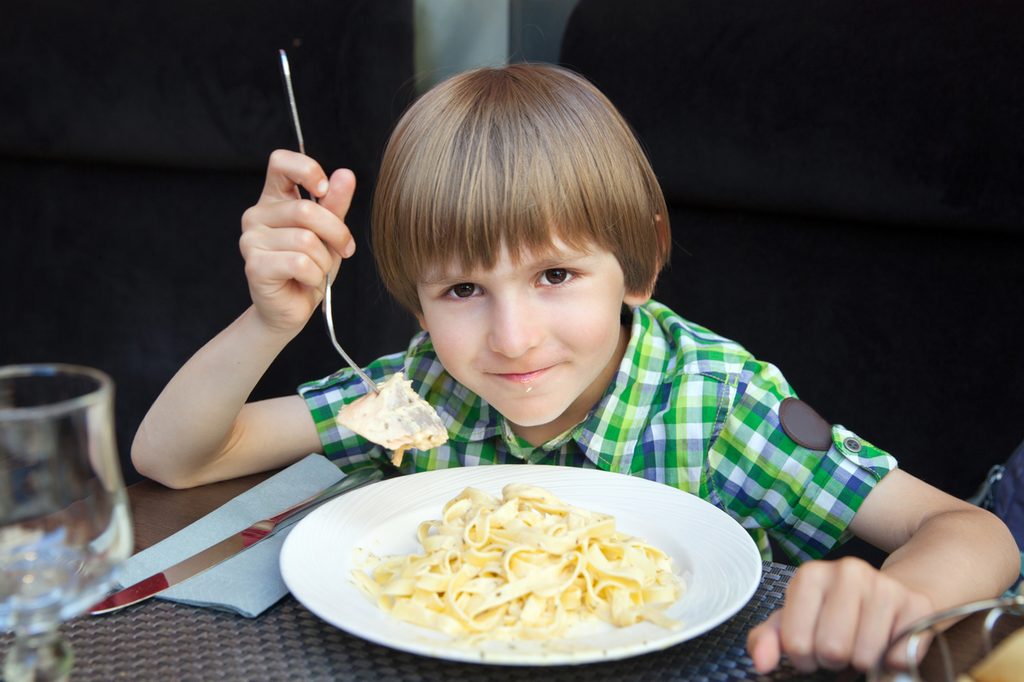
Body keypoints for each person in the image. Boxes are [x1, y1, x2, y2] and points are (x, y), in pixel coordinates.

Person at [131, 63, 1018, 673]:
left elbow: (977, 536)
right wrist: (269, 319)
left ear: (638, 267)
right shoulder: (422, 398)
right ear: (415, 299)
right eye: (463, 291)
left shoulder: (718, 406)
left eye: (556, 276)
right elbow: (179, 458)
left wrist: (886, 599)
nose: (513, 339)